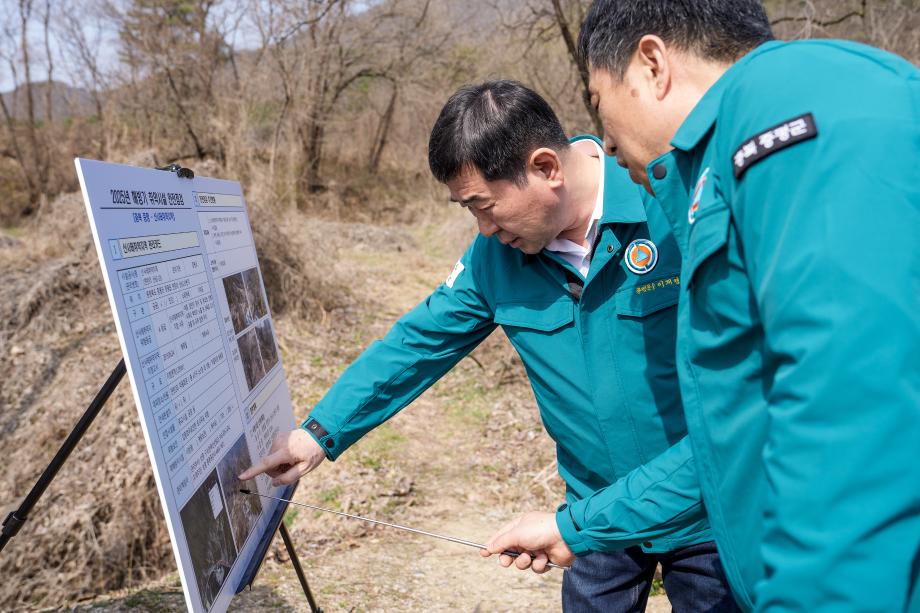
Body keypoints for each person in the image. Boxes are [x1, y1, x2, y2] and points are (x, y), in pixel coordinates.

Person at [240, 80, 740, 611]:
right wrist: (319, 433)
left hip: (704, 506)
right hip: (589, 516)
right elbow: (417, 343)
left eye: (484, 205)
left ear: (546, 168)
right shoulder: (495, 257)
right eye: (467, 210)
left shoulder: (672, 206)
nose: (482, 229)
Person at [488, 1, 920, 611]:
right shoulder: (718, 169)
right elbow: (736, 423)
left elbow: (854, 407)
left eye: (600, 99)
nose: (605, 141)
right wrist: (576, 527)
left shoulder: (795, 115)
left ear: (652, 64)